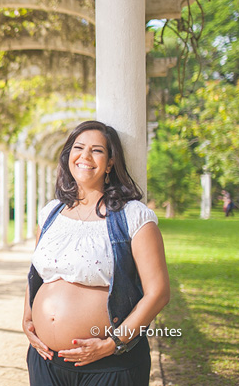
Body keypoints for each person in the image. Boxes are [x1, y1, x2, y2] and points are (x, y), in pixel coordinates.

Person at [22, 120, 170, 385]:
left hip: (109, 365)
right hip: (45, 359)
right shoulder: (50, 213)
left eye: (97, 150)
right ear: (69, 156)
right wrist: (27, 318)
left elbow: (158, 292)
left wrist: (113, 344)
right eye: (78, 147)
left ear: (110, 162)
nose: (85, 156)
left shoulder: (134, 216)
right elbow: (38, 274)